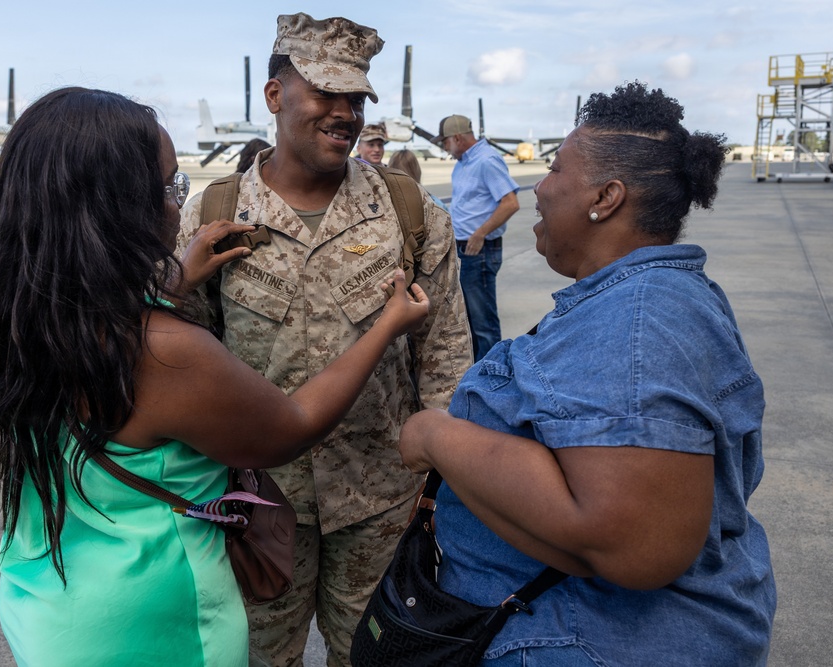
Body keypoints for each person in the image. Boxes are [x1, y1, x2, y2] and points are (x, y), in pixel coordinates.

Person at [0, 86, 431, 667]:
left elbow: (108, 363)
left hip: (52, 607)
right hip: (155, 624)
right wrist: (385, 326)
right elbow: (293, 426)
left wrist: (174, 283)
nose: (178, 207)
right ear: (116, 207)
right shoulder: (165, 351)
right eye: (168, 188)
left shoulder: (20, 317)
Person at [399, 82, 776, 666]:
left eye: (554, 170)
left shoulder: (639, 320)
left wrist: (435, 436)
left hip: (580, 640)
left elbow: (635, 545)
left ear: (606, 197)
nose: (540, 187)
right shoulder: (637, 301)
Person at [176, 12, 472, 667]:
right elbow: (182, 352)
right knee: (258, 659)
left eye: (356, 98)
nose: (345, 113)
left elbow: (446, 354)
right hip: (257, 500)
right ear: (274, 95)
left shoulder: (409, 212)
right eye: (325, 93)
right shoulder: (214, 213)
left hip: (381, 498)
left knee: (373, 658)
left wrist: (440, 485)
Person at [435, 114, 520, 360]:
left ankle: (492, 372)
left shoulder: (486, 160)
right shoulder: (463, 163)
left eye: (445, 142)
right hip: (465, 249)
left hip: (479, 250)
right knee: (470, 319)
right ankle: (477, 369)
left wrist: (480, 233)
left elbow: (510, 203)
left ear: (457, 138)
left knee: (483, 323)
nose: (445, 148)